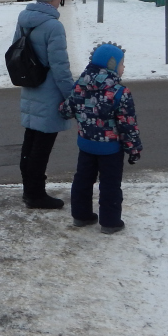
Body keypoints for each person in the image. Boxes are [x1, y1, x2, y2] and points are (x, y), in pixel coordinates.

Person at [59, 43, 143, 234]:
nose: (123, 68)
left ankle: (81, 215)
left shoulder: (80, 85)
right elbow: (127, 125)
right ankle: (110, 222)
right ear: (112, 65)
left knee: (83, 180)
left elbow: (66, 110)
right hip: (110, 150)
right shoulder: (120, 93)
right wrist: (133, 149)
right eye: (122, 64)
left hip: (86, 146)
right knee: (110, 185)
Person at [13, 0, 74, 209]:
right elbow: (61, 67)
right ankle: (36, 194)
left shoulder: (24, 20)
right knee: (42, 146)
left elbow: (16, 50)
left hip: (30, 86)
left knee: (31, 142)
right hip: (49, 93)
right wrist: (71, 95)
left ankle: (29, 190)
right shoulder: (53, 26)